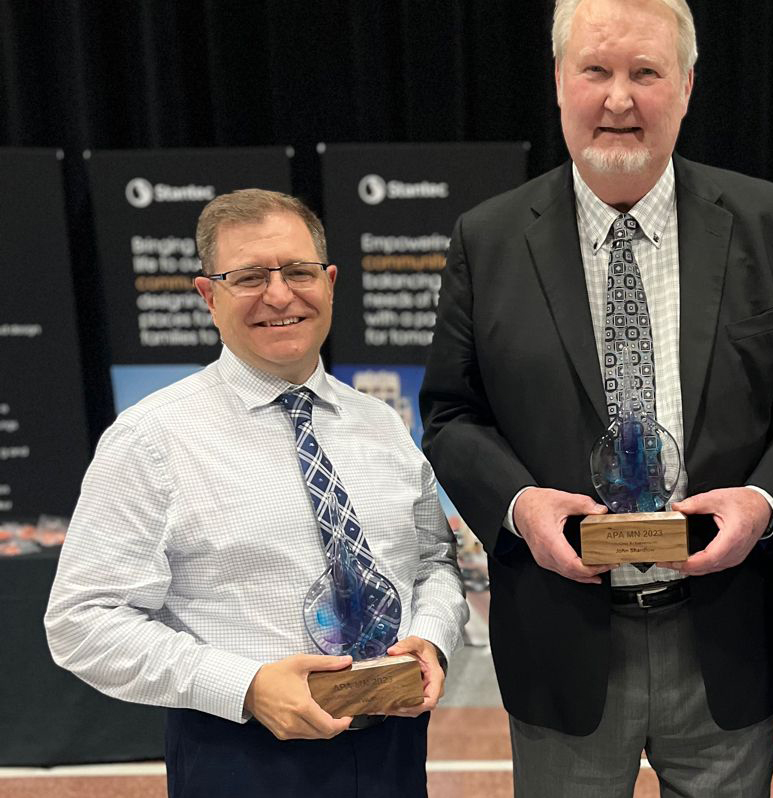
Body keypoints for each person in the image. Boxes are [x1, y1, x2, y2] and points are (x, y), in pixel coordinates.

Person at [420, 0, 773, 796]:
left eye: (645, 72)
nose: (619, 98)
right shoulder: (489, 237)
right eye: (597, 70)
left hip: (726, 638)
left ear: (686, 85)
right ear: (558, 80)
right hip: (563, 642)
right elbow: (451, 415)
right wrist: (521, 506)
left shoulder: (769, 221)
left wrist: (761, 502)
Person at [45, 189, 468, 798]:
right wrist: (243, 685)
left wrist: (429, 637)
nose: (279, 295)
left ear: (329, 282)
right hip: (240, 757)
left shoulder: (382, 425)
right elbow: (81, 621)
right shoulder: (150, 440)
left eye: (298, 271)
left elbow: (434, 563)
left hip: (393, 749)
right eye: (248, 277)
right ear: (207, 296)